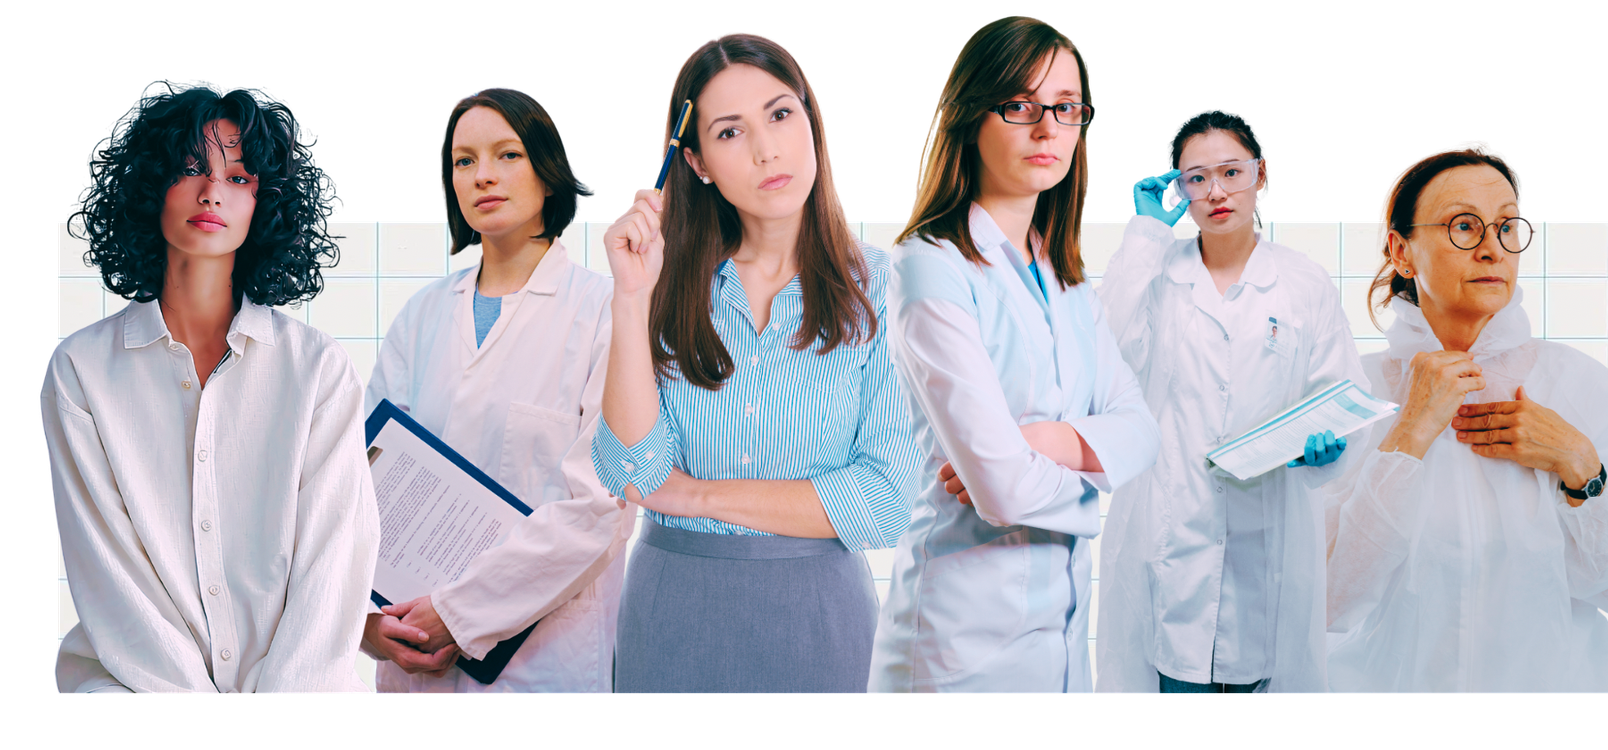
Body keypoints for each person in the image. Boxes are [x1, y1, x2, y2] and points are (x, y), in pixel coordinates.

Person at [595, 32, 923, 694]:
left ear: (811, 122)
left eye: (780, 114)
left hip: (821, 620)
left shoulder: (882, 289)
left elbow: (886, 501)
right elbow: (632, 470)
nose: (767, 148)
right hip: (671, 617)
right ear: (697, 163)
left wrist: (695, 495)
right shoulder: (660, 286)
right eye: (729, 132)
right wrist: (630, 300)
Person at [46, 81, 377, 694]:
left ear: (265, 203)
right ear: (151, 186)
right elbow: (112, 576)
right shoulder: (80, 371)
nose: (211, 193)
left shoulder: (317, 369)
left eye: (239, 179)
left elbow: (333, 566)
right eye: (190, 169)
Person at [1324, 142, 1608, 693]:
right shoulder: (1349, 396)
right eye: (1464, 226)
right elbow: (1320, 602)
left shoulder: (1579, 386)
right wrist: (1408, 435)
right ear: (1401, 250)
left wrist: (1581, 467)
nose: (1493, 249)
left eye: (1507, 227)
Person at [868, 16, 1159, 694]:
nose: (1047, 128)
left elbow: (1142, 429)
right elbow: (998, 490)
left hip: (1057, 645)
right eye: (1019, 106)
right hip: (957, 648)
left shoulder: (1067, 279)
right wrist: (1093, 481)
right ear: (972, 116)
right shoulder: (929, 266)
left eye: (1065, 108)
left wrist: (1040, 441)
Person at [357, 88, 631, 693]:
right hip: (413, 660)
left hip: (545, 667)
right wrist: (369, 624)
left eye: (507, 155)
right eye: (464, 160)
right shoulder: (420, 316)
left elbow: (599, 512)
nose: (484, 176)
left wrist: (459, 612)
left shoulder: (608, 313)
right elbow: (357, 488)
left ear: (547, 170)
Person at [1094, 111, 1369, 694]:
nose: (1216, 191)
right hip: (1170, 539)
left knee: (1264, 668)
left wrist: (1330, 450)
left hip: (1268, 541)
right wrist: (1143, 235)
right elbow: (1105, 356)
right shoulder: (1154, 274)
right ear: (1178, 188)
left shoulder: (1303, 282)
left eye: (1231, 172)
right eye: (1197, 178)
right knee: (1171, 671)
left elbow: (1341, 392)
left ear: (1261, 175)